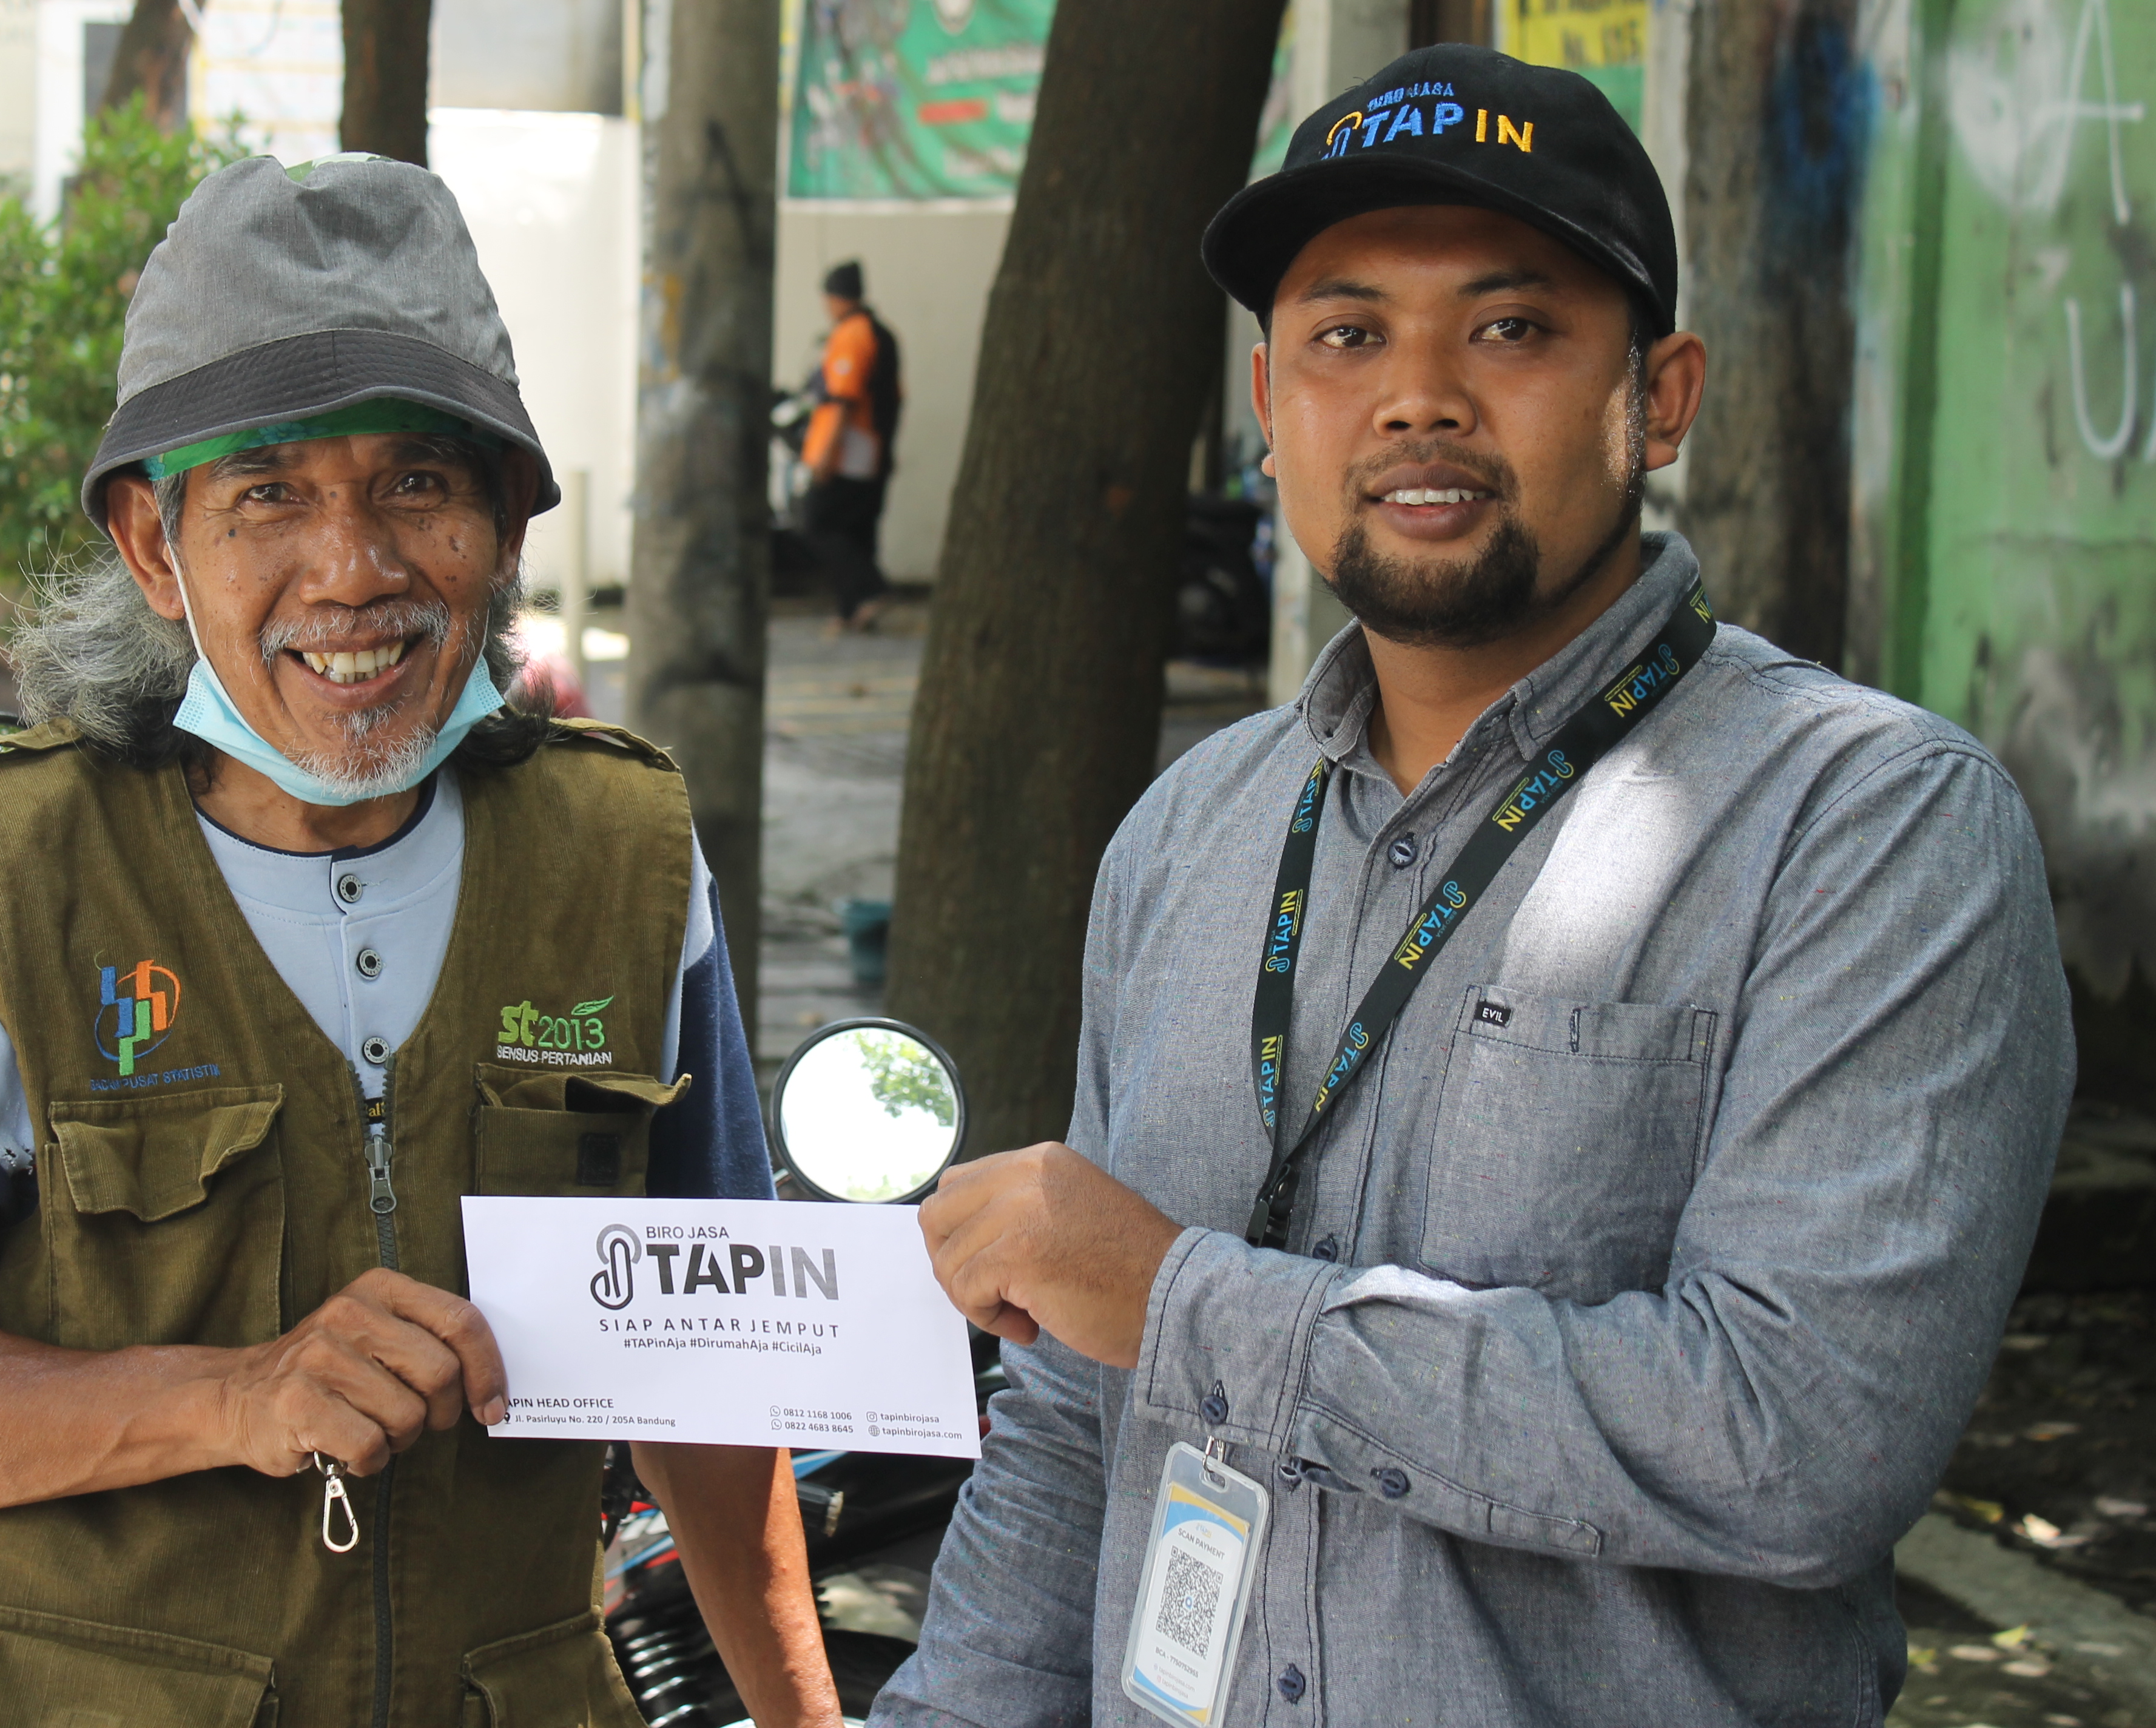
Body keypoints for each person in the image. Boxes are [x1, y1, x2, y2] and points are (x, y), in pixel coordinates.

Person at [875, 45, 2071, 1728]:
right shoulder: (1187, 833)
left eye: (1511, 328)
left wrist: (1188, 1301)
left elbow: (1802, 1439)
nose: (1417, 395)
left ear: (1660, 396)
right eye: (1346, 334)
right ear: (1272, 402)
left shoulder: (1871, 829)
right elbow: (1077, 1420)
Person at [0, 157, 841, 1728]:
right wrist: (236, 1397)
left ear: (508, 524)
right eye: (268, 492)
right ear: (151, 543)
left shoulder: (629, 866)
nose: (354, 571)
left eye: (419, 484)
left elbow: (713, 1384)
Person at [800, 260, 901, 635]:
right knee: (856, 530)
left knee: (817, 523)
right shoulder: (882, 334)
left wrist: (826, 454)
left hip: (848, 451)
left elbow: (843, 400)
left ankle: (872, 589)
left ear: (836, 298)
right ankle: (852, 610)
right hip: (873, 448)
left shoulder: (852, 334)